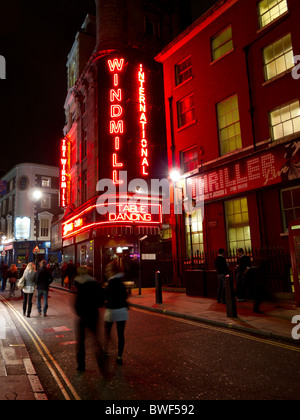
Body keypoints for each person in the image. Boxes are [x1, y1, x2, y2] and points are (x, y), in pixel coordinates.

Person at [74, 266, 104, 372]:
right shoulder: (96, 283)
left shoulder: (80, 284)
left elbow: (77, 304)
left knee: (81, 341)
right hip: (94, 315)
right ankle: (101, 359)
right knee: (96, 339)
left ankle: (81, 365)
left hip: (83, 316)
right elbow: (101, 301)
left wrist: (79, 312)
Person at [103, 262, 129, 366]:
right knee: (121, 334)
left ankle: (106, 350)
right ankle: (119, 357)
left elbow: (106, 296)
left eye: (108, 270)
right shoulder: (120, 281)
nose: (107, 272)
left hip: (112, 310)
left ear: (112, 271)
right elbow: (125, 296)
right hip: (122, 311)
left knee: (107, 331)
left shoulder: (111, 282)